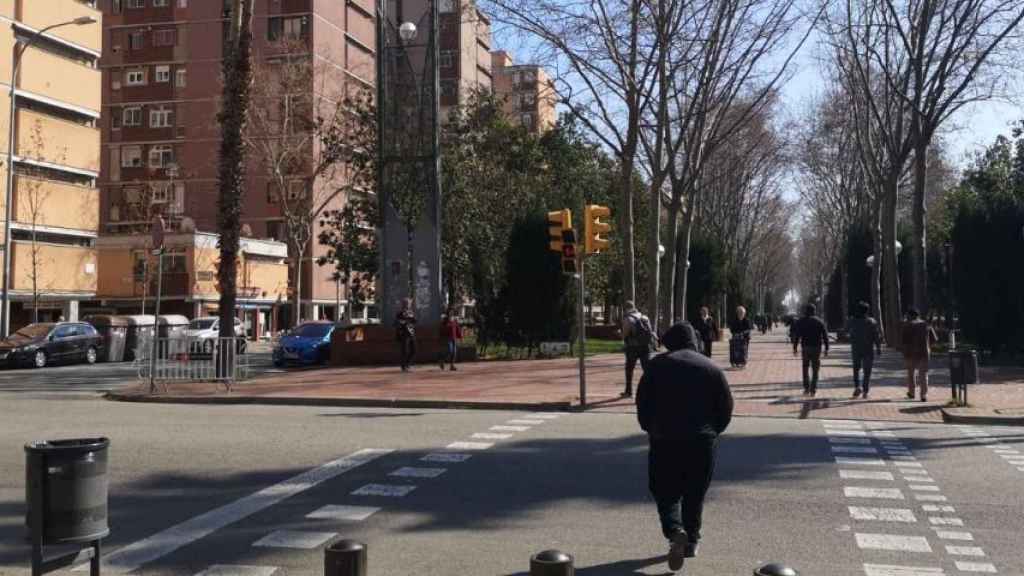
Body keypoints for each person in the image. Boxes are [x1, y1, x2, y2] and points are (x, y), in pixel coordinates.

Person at [636, 322, 734, 573]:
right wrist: (713, 431)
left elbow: (643, 403)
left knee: (664, 489)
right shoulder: (711, 368)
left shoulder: (656, 366)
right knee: (695, 491)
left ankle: (674, 530)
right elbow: (725, 407)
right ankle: (692, 539)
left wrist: (651, 428)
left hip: (665, 438)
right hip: (702, 440)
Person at [846, 301, 882, 399]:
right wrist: (878, 347)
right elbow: (876, 336)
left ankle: (857, 386)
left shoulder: (852, 320)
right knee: (867, 371)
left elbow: (846, 332)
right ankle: (865, 391)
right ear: (867, 311)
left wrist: (850, 336)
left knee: (856, 369)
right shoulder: (871, 321)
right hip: (868, 350)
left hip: (856, 349)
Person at [901, 308, 938, 402]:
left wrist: (903, 350)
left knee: (911, 373)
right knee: (923, 374)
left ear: (910, 315)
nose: (906, 317)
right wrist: (928, 346)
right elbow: (934, 339)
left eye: (907, 315)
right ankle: (923, 395)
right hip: (924, 352)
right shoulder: (926, 324)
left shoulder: (907, 325)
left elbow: (904, 340)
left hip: (910, 353)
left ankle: (911, 392)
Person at [792, 304, 829, 396]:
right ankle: (813, 389)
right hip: (817, 347)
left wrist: (795, 347)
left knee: (805, 367)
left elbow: (797, 335)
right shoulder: (819, 322)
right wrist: (826, 348)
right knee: (815, 369)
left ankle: (806, 388)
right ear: (814, 311)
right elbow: (825, 336)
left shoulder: (801, 321)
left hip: (805, 347)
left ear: (806, 311)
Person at [621, 301, 656, 398]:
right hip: (645, 347)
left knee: (629, 369)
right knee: (647, 369)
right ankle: (652, 390)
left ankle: (628, 391)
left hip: (632, 347)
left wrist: (622, 337)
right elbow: (650, 331)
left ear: (626, 308)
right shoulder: (644, 317)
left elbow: (625, 333)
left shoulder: (628, 318)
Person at [394, 298, 417, 372]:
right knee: (405, 351)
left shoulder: (411, 312)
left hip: (411, 333)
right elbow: (395, 323)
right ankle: (404, 366)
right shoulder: (400, 313)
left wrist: (412, 319)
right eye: (407, 303)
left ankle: (407, 364)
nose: (408, 305)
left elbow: (414, 321)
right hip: (404, 334)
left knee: (414, 350)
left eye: (409, 303)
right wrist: (402, 322)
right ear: (404, 304)